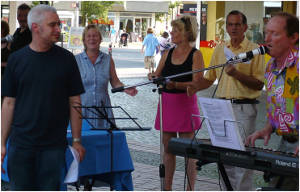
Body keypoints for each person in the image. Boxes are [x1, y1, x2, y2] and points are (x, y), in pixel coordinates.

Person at [1, 5, 85, 190]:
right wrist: (1, 143)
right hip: (21, 145)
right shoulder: (16, 60)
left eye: (59, 24)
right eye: (53, 25)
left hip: (53, 146)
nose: (58, 29)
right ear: (36, 28)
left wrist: (77, 140)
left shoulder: (67, 59)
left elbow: (75, 101)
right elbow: (8, 103)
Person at [187, 10, 265, 191]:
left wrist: (236, 73)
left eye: (237, 24)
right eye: (230, 24)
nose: (233, 28)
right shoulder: (220, 49)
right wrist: (195, 87)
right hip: (222, 108)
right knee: (225, 159)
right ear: (226, 28)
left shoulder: (254, 50)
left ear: (245, 27)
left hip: (244, 108)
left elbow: (259, 85)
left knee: (242, 161)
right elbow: (209, 78)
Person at [148, 15, 204, 191]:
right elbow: (157, 73)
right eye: (172, 30)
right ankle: (168, 187)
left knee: (189, 151)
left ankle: (189, 188)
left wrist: (177, 84)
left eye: (176, 30)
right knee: (168, 148)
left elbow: (198, 82)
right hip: (167, 103)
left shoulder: (196, 54)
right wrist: (153, 77)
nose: (172, 33)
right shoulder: (167, 52)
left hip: (185, 103)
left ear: (187, 33)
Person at [246, 12, 299, 191]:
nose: (267, 38)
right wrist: (268, 128)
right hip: (286, 144)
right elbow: (285, 106)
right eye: (266, 32)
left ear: (293, 37)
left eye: (275, 33)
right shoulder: (271, 66)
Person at [75, 24, 137, 129]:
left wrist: (125, 88)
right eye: (88, 36)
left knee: (104, 142)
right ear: (84, 40)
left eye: (95, 36)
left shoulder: (108, 60)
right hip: (82, 110)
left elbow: (115, 82)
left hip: (103, 111)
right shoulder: (76, 60)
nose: (92, 39)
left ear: (100, 39)